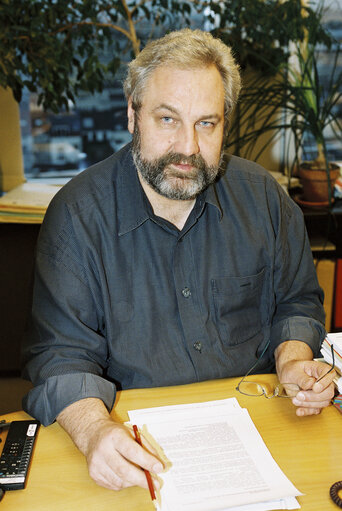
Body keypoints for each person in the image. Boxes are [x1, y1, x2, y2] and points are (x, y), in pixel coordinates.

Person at [22, 28, 335, 493]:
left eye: (206, 123)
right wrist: (93, 431)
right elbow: (60, 356)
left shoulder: (264, 198)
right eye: (168, 119)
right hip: (132, 440)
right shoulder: (77, 217)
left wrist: (292, 360)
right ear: (133, 114)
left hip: (261, 432)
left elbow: (296, 302)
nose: (188, 147)